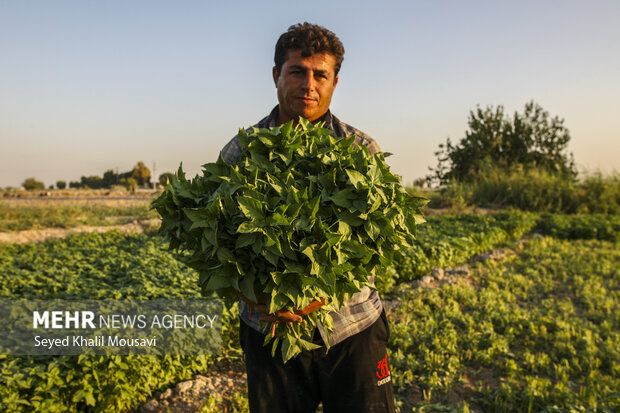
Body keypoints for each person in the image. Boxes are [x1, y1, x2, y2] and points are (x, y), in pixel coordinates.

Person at [219, 22, 395, 413]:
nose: (308, 85)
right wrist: (255, 296)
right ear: (276, 75)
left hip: (351, 328)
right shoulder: (241, 152)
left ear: (335, 81)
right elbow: (216, 247)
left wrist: (317, 294)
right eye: (297, 71)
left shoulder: (361, 151)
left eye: (321, 74)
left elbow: (376, 246)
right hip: (270, 331)